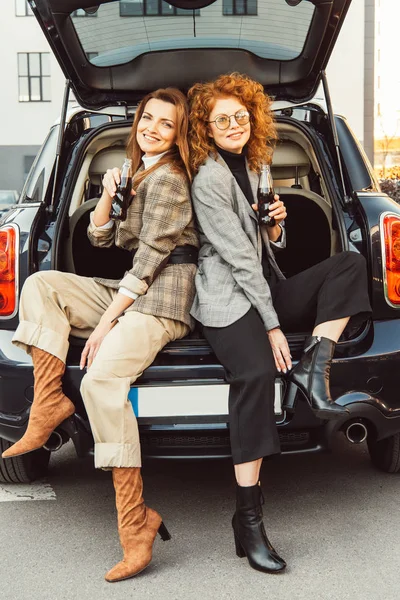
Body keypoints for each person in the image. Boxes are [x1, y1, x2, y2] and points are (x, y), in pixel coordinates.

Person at [2, 88, 199, 583]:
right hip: (133, 286)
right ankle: (48, 402)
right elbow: (99, 238)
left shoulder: (172, 178)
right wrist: (110, 194)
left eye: (166, 124)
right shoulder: (140, 172)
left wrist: (108, 320)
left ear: (178, 136)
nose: (152, 128)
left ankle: (136, 526)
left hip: (166, 297)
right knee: (42, 285)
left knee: (99, 382)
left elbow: (153, 257)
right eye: (147, 118)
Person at [188, 72, 372, 574]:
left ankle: (316, 363)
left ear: (253, 120)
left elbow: (264, 249)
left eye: (241, 117)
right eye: (221, 118)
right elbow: (237, 260)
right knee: (254, 375)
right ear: (205, 125)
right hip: (227, 298)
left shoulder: (254, 164)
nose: (232, 125)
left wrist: (275, 224)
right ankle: (249, 521)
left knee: (351, 266)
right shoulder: (207, 176)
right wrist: (272, 327)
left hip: (263, 284)